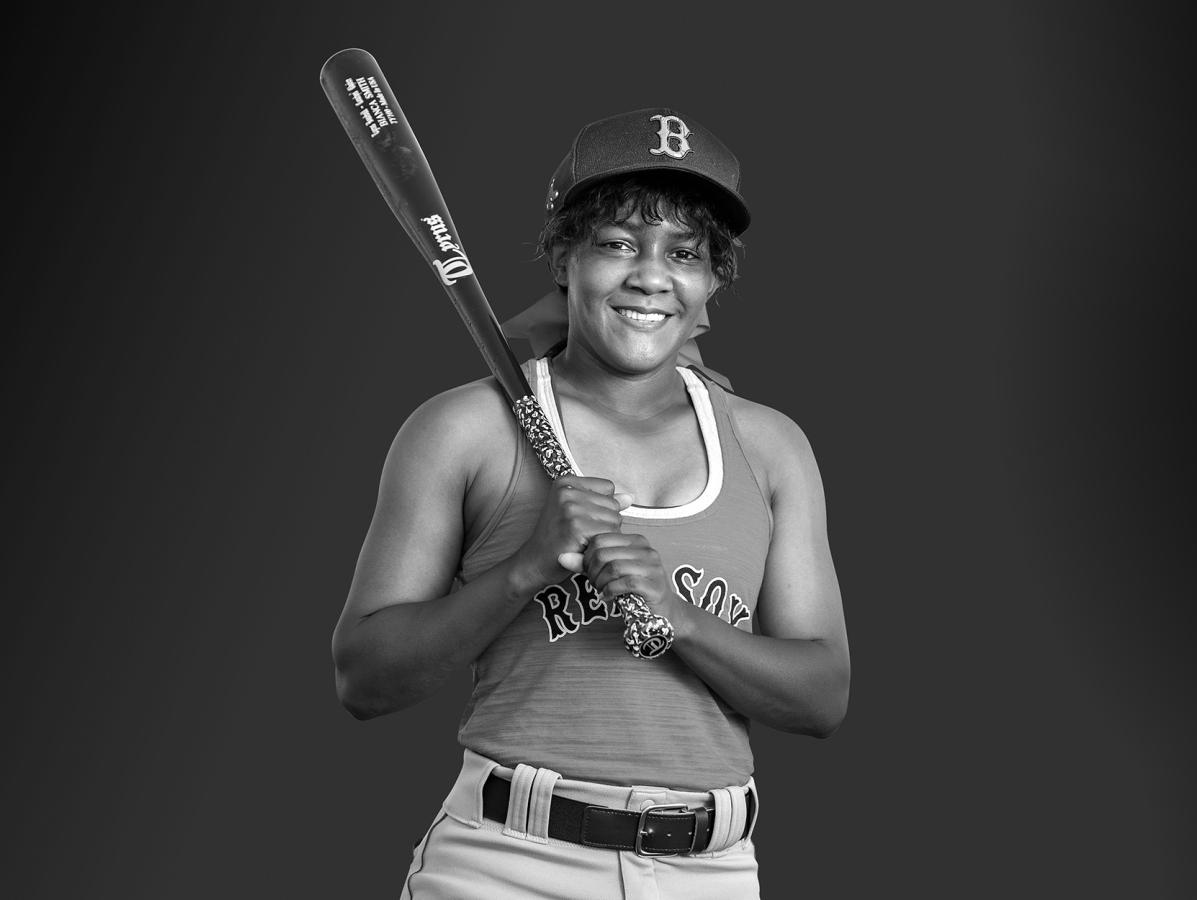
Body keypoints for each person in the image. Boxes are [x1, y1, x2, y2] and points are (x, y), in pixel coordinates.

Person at [332, 107, 850, 899]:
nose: (650, 275)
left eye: (684, 252)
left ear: (712, 280)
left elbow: (821, 696)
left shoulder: (771, 446)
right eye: (617, 243)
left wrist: (682, 622)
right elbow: (363, 680)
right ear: (563, 255)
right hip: (506, 865)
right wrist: (523, 569)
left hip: (710, 872)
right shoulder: (463, 431)